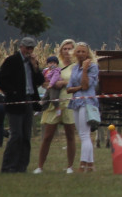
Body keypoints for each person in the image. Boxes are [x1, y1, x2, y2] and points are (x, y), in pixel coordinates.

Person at [0, 35, 45, 173]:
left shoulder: (31, 63)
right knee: (16, 134)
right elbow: (1, 80)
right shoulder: (12, 61)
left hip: (29, 100)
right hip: (15, 102)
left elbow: (40, 80)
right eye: (27, 48)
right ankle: (8, 166)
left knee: (26, 135)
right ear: (21, 47)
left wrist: (36, 67)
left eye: (32, 48)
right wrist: (13, 93)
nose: (29, 51)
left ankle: (22, 166)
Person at [34, 39, 78, 174]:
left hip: (69, 102)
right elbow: (44, 82)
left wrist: (64, 83)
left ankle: (70, 166)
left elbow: (79, 83)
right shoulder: (54, 64)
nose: (67, 51)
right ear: (61, 50)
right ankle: (40, 166)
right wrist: (51, 85)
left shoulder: (76, 66)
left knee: (70, 135)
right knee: (48, 135)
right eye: (65, 48)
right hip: (54, 102)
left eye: (70, 48)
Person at [65, 42, 99, 172]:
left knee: (85, 134)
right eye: (78, 52)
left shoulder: (93, 67)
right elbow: (69, 89)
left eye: (83, 52)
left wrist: (85, 69)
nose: (80, 54)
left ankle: (83, 164)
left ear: (87, 53)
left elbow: (86, 85)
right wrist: (78, 88)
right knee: (82, 134)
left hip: (87, 102)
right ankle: (90, 165)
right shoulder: (74, 68)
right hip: (75, 102)